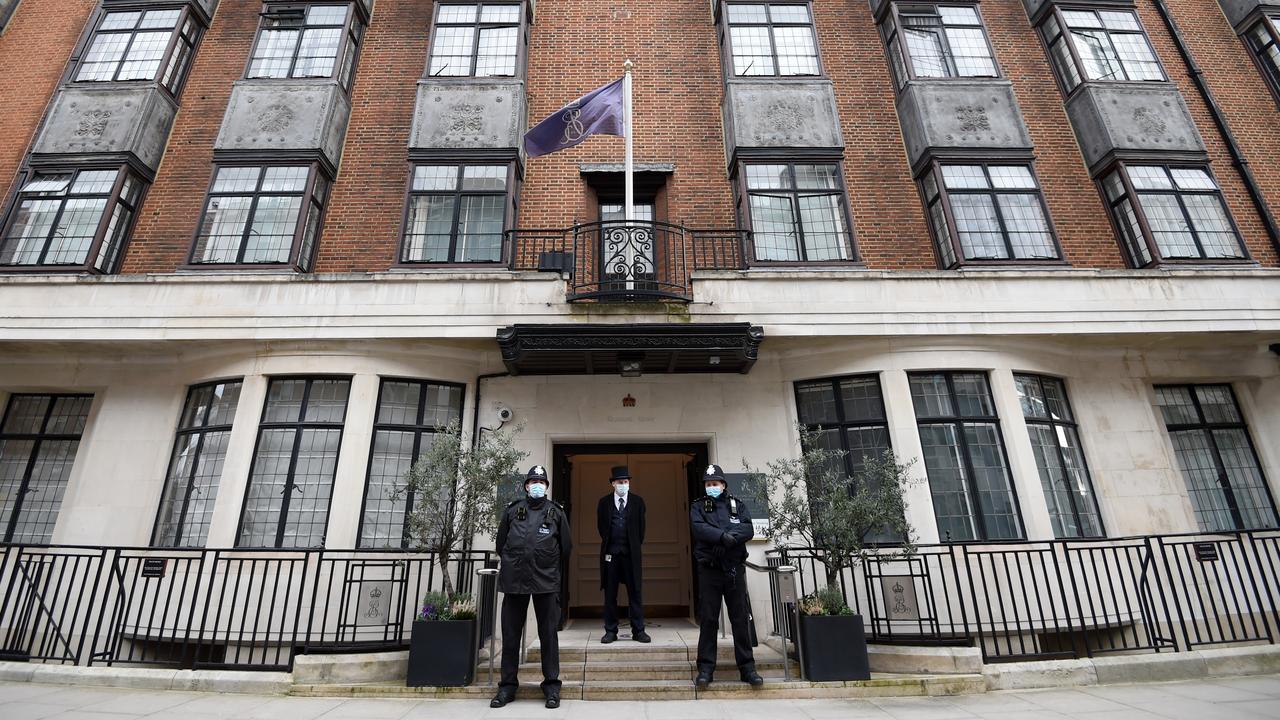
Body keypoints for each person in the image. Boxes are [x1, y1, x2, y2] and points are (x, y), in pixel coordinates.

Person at [491, 465, 572, 709]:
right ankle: (506, 687)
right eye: (533, 481)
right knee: (511, 635)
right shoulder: (513, 511)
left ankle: (551, 686)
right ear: (526, 485)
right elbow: (500, 543)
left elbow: (566, 548)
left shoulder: (556, 513)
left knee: (548, 635)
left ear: (547, 487)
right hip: (515, 581)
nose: (537, 484)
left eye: (542, 481)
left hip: (545, 582)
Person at [690, 464, 763, 688]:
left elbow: (748, 529)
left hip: (733, 570)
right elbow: (699, 529)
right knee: (709, 620)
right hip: (710, 570)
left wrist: (728, 538)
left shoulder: (737, 505)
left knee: (739, 619)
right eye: (708, 484)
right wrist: (724, 538)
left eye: (716, 483)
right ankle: (705, 668)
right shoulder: (698, 507)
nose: (712, 487)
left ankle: (747, 668)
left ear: (723, 485)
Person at [596, 465, 650, 643]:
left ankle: (638, 630)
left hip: (630, 555)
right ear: (613, 484)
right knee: (610, 594)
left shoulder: (638, 502)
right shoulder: (604, 503)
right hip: (611, 555)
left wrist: (631, 545)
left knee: (635, 592)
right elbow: (602, 528)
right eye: (620, 482)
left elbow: (641, 531)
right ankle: (611, 631)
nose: (623, 484)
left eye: (626, 481)